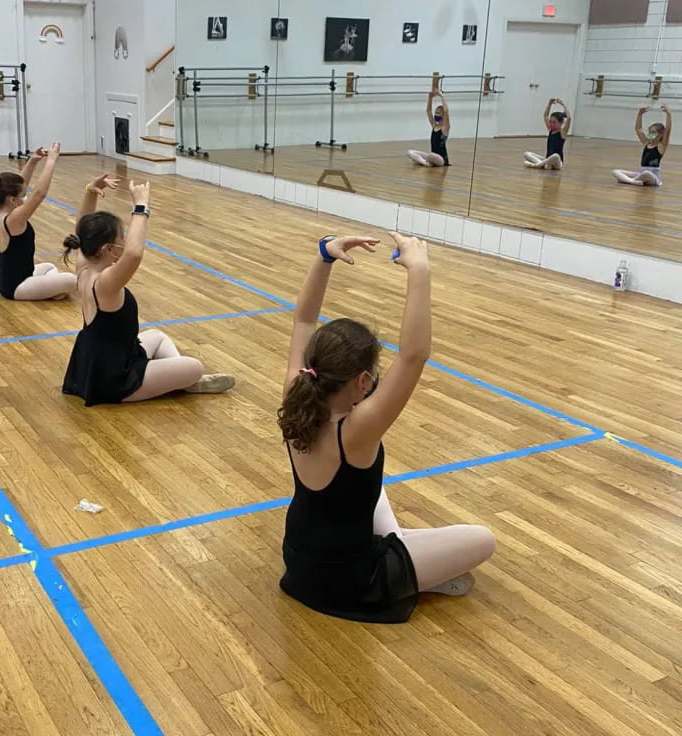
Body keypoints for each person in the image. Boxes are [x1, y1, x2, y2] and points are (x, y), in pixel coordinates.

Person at [276, 233, 496, 623]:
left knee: (373, 493)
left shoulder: (296, 391)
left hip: (300, 560)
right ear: (362, 382)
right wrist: (419, 269)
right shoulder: (358, 427)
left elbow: (304, 319)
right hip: (351, 580)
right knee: (482, 539)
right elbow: (414, 355)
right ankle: (410, 566)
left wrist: (323, 256)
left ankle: (410, 554)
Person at [62, 177, 235, 405]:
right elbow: (134, 254)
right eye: (122, 237)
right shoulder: (105, 283)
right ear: (109, 249)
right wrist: (141, 206)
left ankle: (180, 380)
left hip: (96, 363)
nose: (126, 240)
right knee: (194, 367)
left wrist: (90, 193)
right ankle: (187, 381)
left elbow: (82, 230)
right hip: (114, 379)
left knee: (158, 337)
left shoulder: (84, 266)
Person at [0, 144, 77, 301]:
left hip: (15, 278)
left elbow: (20, 184)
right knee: (72, 280)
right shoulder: (14, 219)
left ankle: (52, 290)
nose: (25, 195)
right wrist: (51, 161)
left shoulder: (3, 211)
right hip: (17, 286)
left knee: (49, 267)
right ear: (13, 199)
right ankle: (52, 291)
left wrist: (33, 161)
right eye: (23, 194)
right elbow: (39, 194)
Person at [612, 105, 672, 186]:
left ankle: (628, 181)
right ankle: (633, 181)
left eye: (653, 132)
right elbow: (638, 129)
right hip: (640, 173)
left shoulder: (661, 146)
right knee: (615, 171)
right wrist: (639, 114)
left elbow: (668, 131)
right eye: (650, 132)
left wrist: (669, 114)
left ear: (661, 134)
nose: (651, 134)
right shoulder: (646, 142)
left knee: (646, 173)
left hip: (652, 176)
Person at [524, 98, 571, 169]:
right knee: (526, 154)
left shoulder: (563, 132)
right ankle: (544, 164)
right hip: (547, 159)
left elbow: (569, 118)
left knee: (555, 155)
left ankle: (536, 165)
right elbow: (545, 115)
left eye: (554, 122)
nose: (551, 123)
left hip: (557, 162)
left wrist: (563, 104)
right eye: (551, 121)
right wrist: (549, 104)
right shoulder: (550, 129)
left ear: (561, 123)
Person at [407, 91, 450, 167]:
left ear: (443, 115)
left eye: (438, 113)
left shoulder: (445, 128)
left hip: (441, 159)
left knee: (430, 156)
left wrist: (442, 96)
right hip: (432, 156)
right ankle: (425, 163)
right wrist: (430, 97)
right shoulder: (434, 126)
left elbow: (446, 111)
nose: (436, 115)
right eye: (435, 113)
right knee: (410, 152)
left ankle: (422, 161)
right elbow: (428, 111)